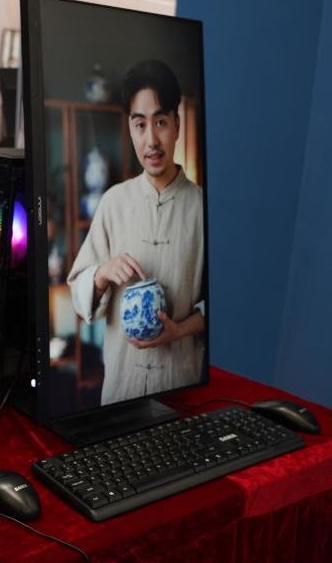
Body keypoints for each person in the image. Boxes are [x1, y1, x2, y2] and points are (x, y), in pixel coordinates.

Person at [67, 60, 205, 405]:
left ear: (177, 124)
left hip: (181, 383)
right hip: (122, 385)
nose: (151, 140)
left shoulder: (203, 206)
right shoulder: (113, 202)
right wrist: (101, 273)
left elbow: (222, 303)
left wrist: (180, 330)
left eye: (161, 122)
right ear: (130, 129)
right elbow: (79, 293)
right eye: (140, 125)